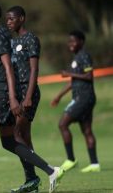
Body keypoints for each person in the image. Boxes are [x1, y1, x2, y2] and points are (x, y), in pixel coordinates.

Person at [0, 0, 63, 193]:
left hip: (4, 92)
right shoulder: (4, 35)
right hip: (2, 90)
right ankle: (50, 171)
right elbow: (5, 67)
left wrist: (13, 97)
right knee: (9, 140)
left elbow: (8, 68)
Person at [51, 30, 100, 173]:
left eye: (73, 41)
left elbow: (89, 76)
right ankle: (94, 164)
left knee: (62, 124)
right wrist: (59, 96)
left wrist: (68, 73)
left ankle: (71, 159)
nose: (70, 44)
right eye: (69, 41)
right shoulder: (77, 57)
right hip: (83, 97)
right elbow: (73, 82)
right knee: (87, 130)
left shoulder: (84, 56)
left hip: (84, 97)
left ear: (81, 42)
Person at [5, 6, 42, 192]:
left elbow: (34, 69)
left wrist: (28, 96)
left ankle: (34, 177)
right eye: (7, 19)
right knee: (24, 136)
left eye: (12, 19)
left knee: (16, 134)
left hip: (29, 92)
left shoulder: (31, 39)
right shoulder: (12, 42)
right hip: (17, 92)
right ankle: (31, 181)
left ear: (22, 18)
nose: (8, 22)